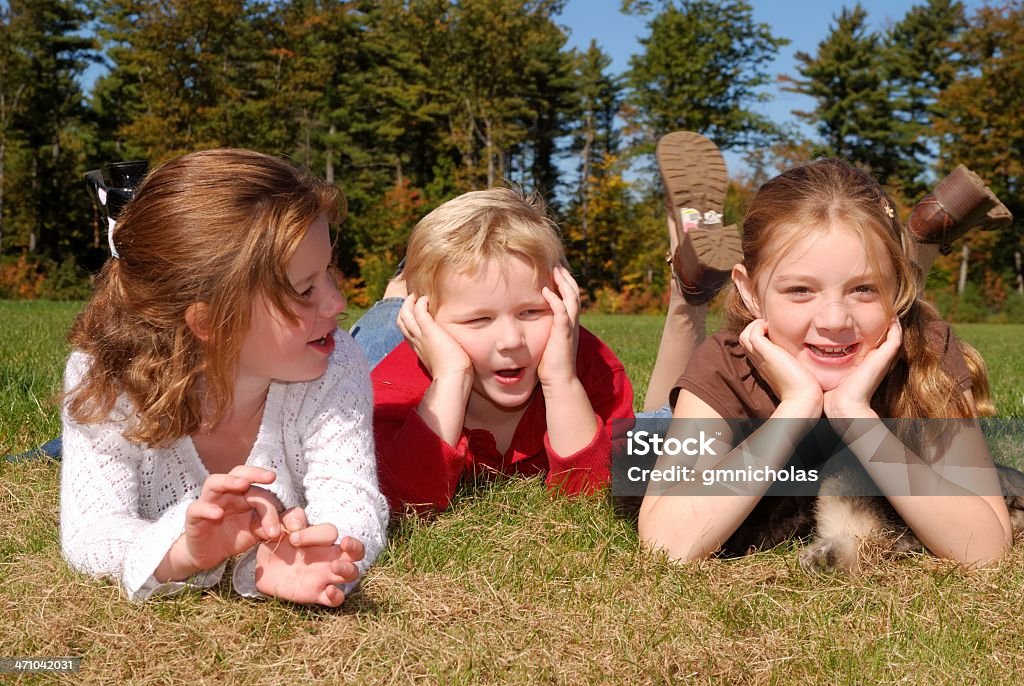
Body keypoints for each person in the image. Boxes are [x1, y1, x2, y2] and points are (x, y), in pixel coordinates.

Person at [636, 156, 1013, 568]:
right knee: (650, 430)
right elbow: (667, 545)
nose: (835, 320)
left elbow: (986, 548)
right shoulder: (727, 364)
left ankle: (919, 236)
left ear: (897, 287)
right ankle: (690, 286)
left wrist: (856, 418)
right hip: (676, 427)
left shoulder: (926, 352)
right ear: (751, 292)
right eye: (800, 290)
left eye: (864, 289)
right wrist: (794, 409)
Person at [59, 148, 388, 605]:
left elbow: (351, 498)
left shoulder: (337, 362)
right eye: (304, 290)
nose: (336, 302)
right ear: (211, 323)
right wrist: (182, 550)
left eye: (329, 271)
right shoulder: (104, 379)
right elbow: (92, 531)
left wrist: (320, 553)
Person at [358, 187, 634, 512]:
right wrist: (450, 377)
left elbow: (601, 493)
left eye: (531, 312)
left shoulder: (595, 367)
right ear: (429, 324)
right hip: (388, 346)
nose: (511, 340)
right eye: (479, 319)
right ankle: (397, 294)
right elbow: (403, 501)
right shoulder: (391, 384)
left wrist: (562, 381)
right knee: (378, 331)